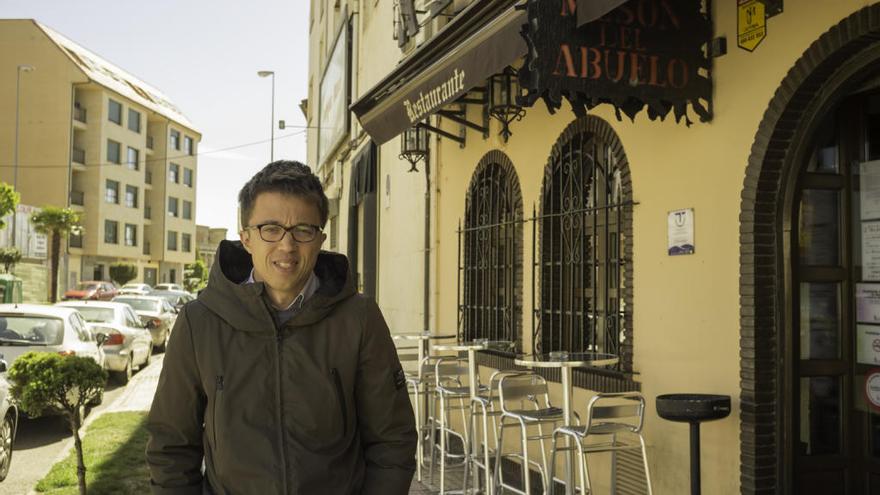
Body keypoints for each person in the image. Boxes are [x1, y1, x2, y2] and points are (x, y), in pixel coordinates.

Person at [146, 160, 416, 494]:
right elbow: (171, 447)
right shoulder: (198, 323)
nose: (286, 246)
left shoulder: (359, 319)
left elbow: (392, 440)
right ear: (246, 238)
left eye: (303, 230)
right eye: (270, 229)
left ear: (320, 239)